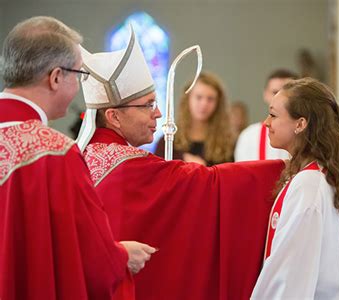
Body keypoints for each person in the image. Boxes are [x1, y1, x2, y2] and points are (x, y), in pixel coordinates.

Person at [77, 30, 285, 300]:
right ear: (114, 116)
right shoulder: (128, 167)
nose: (159, 112)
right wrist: (285, 167)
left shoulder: (83, 156)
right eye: (148, 104)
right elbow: (210, 183)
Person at [0, 16, 154, 300]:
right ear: (56, 77)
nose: (79, 86)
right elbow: (91, 259)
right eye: (79, 74)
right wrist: (122, 255)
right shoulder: (54, 153)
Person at [251, 78, 339, 299]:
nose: (267, 122)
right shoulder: (316, 174)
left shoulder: (309, 185)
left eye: (274, 115)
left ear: (300, 124)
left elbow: (291, 273)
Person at [155, 72, 234, 165]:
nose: (204, 104)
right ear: (188, 99)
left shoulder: (227, 145)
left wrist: (204, 170)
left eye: (210, 99)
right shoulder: (167, 141)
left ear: (218, 104)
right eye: (199, 97)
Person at [234, 69, 298, 161]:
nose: (280, 99)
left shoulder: (309, 135)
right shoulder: (249, 136)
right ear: (265, 95)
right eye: (275, 92)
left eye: (288, 94)